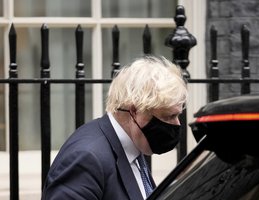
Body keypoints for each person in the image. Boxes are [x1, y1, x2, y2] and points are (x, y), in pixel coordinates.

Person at [41, 55, 188, 200]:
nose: (177, 124)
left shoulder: (134, 146)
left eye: (177, 115)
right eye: (168, 116)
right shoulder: (86, 158)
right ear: (134, 111)